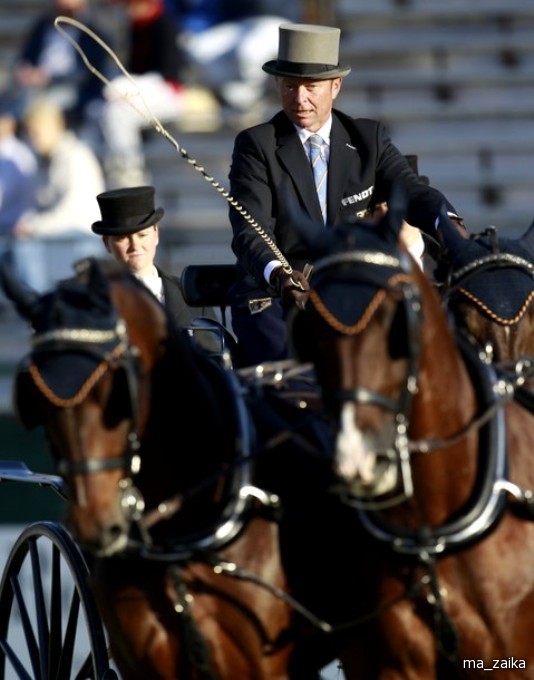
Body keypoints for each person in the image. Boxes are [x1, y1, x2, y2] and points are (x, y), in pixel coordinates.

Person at [227, 23, 467, 367]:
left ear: (335, 86)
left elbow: (413, 192)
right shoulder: (256, 145)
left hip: (353, 291)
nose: (300, 99)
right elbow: (250, 228)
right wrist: (280, 276)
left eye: (311, 87)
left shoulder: (368, 139)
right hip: (275, 299)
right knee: (294, 387)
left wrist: (454, 231)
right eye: (290, 86)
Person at [91, 185, 221, 351]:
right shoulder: (93, 303)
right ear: (106, 243)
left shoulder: (192, 298)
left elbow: (214, 360)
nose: (135, 246)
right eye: (123, 238)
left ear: (156, 234)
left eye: (142, 235)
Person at [11, 96, 106, 292]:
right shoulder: (43, 161)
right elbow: (34, 205)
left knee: (26, 246)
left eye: (37, 132)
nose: (32, 139)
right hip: (57, 238)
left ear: (58, 126)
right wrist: (26, 224)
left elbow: (72, 214)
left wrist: (33, 226)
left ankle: (39, 306)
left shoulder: (76, 156)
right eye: (30, 133)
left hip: (82, 239)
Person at [99, 0, 189, 188]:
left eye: (131, 5)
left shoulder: (164, 23)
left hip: (168, 92)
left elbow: (168, 74)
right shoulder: (135, 27)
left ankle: (130, 172)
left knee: (117, 112)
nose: (128, 10)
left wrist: (127, 89)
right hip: (144, 89)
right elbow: (133, 69)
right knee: (101, 109)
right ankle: (113, 169)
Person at [169, 0, 298, 120]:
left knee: (249, 52)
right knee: (197, 51)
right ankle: (234, 97)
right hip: (239, 23)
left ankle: (255, 99)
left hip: (275, 21)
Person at [11, 0, 112, 136]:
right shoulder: (43, 26)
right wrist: (25, 71)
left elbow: (88, 71)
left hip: (73, 89)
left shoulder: (93, 29)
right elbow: (26, 57)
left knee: (44, 104)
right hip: (36, 87)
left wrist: (49, 78)